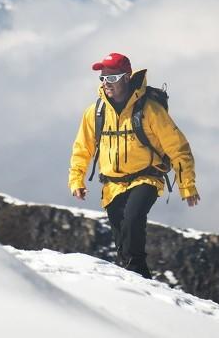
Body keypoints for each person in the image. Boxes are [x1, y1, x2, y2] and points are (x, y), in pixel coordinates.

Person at [68, 52, 199, 279]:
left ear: (126, 78)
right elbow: (82, 148)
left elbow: (178, 148)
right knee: (122, 244)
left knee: (132, 218)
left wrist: (187, 186)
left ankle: (139, 280)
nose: (106, 83)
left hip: (146, 178)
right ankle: (139, 282)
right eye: (102, 78)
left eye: (112, 77)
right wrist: (76, 179)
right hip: (111, 185)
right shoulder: (95, 112)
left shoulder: (150, 111)